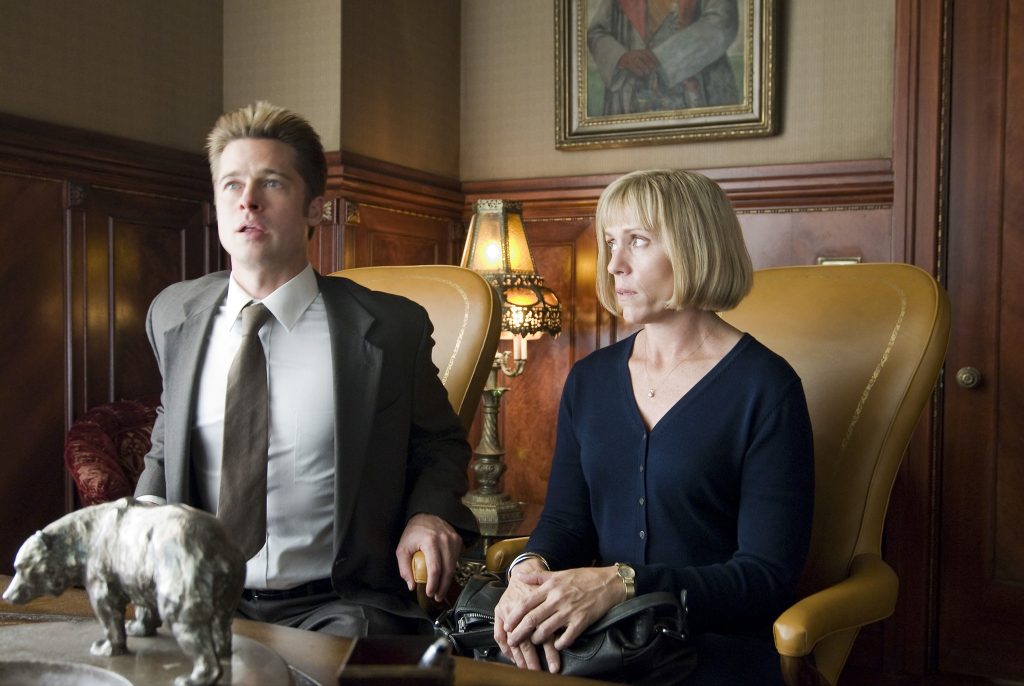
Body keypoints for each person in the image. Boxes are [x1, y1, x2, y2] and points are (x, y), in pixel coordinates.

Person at [134, 101, 477, 637]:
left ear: (315, 209)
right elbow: (167, 435)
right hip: (198, 599)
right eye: (231, 184)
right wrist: (142, 515)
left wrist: (428, 514)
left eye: (271, 183)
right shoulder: (173, 314)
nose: (247, 200)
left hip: (339, 605)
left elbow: (438, 444)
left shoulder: (389, 329)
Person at [493, 170, 814, 685]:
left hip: (711, 647)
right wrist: (529, 567)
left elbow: (766, 576)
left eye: (638, 241)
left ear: (695, 248)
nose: (614, 264)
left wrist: (623, 583)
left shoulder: (767, 387)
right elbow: (568, 522)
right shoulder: (589, 380)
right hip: (598, 643)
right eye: (610, 243)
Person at [588, 0, 741, 115]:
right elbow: (597, 32)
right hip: (629, 103)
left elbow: (723, 22)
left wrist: (664, 57)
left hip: (695, 94)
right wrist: (621, 57)